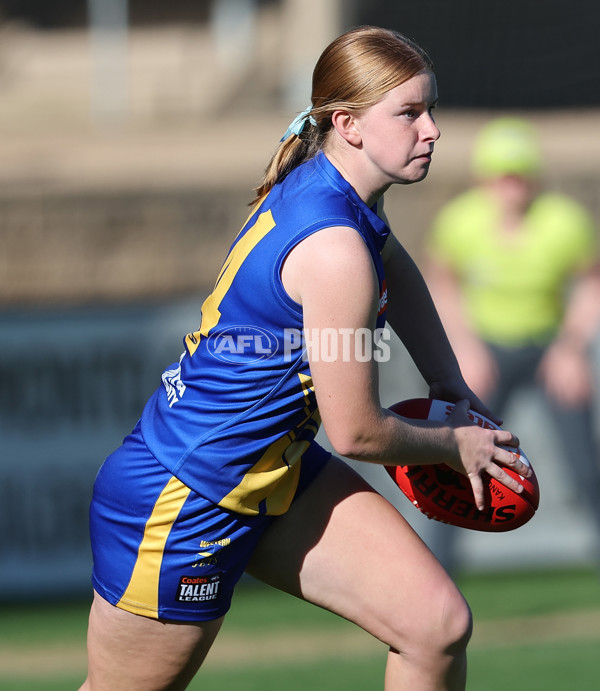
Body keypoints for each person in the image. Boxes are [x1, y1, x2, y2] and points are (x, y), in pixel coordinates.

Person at [80, 27, 531, 691]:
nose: (431, 129)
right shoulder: (334, 248)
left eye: (430, 108)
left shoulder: (343, 199)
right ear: (346, 124)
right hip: (187, 499)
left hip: (271, 470)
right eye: (409, 113)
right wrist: (453, 442)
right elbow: (357, 431)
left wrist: (447, 378)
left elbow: (395, 266)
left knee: (435, 624)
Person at [425, 117, 600, 571]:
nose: (511, 187)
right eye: (502, 176)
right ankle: (436, 571)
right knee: (458, 460)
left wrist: (571, 348)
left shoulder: (564, 221)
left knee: (585, 466)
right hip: (486, 353)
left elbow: (590, 285)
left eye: (520, 175)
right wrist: (463, 346)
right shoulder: (460, 221)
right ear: (484, 179)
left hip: (548, 348)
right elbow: (442, 282)